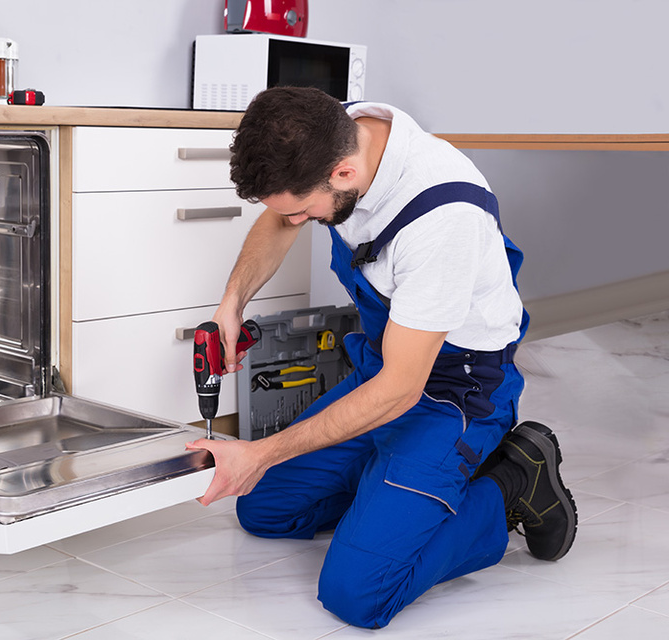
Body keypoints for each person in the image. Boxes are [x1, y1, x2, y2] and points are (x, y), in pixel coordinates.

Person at [186, 87, 577, 629]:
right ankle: (396, 489)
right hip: (382, 366)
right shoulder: (338, 131)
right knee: (264, 509)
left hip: (454, 392)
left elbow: (400, 390)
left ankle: (512, 480)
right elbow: (279, 218)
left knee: (359, 594)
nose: (296, 222)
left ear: (344, 174)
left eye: (304, 212)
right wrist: (232, 302)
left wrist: (261, 452)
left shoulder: (443, 218)